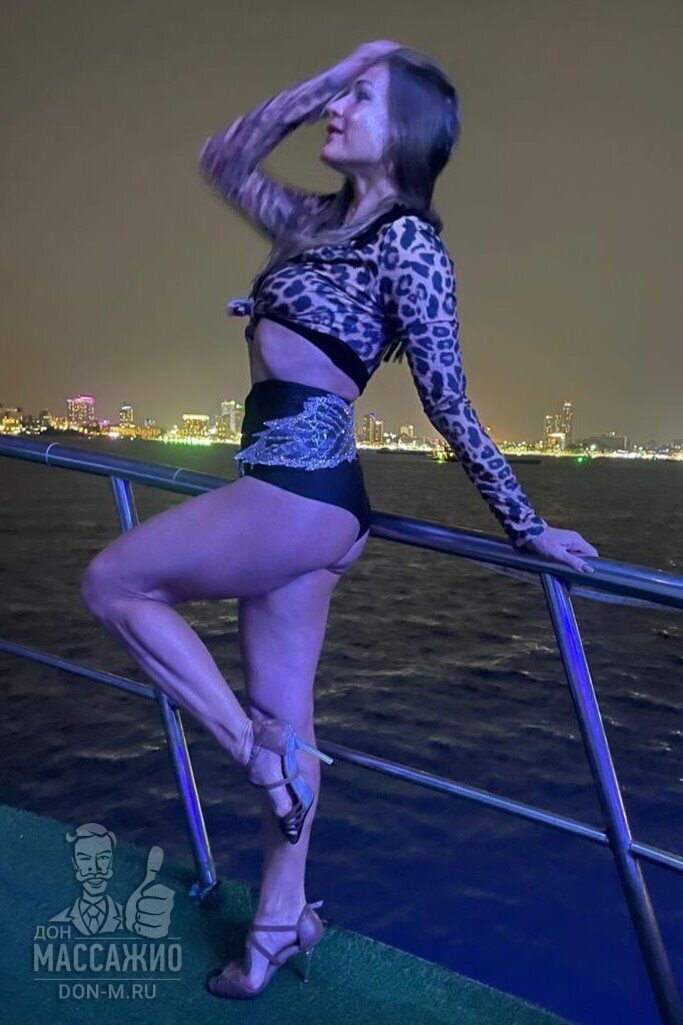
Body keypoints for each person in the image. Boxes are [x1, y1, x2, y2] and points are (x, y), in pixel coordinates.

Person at [80, 40, 599, 1000]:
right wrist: (336, 70)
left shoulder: (409, 245)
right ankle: (280, 920)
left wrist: (526, 526)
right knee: (289, 715)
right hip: (297, 497)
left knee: (112, 584)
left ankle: (255, 759)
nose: (335, 109)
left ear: (403, 131)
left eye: (359, 98)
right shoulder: (313, 222)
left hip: (300, 494)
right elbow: (223, 158)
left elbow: (448, 400)